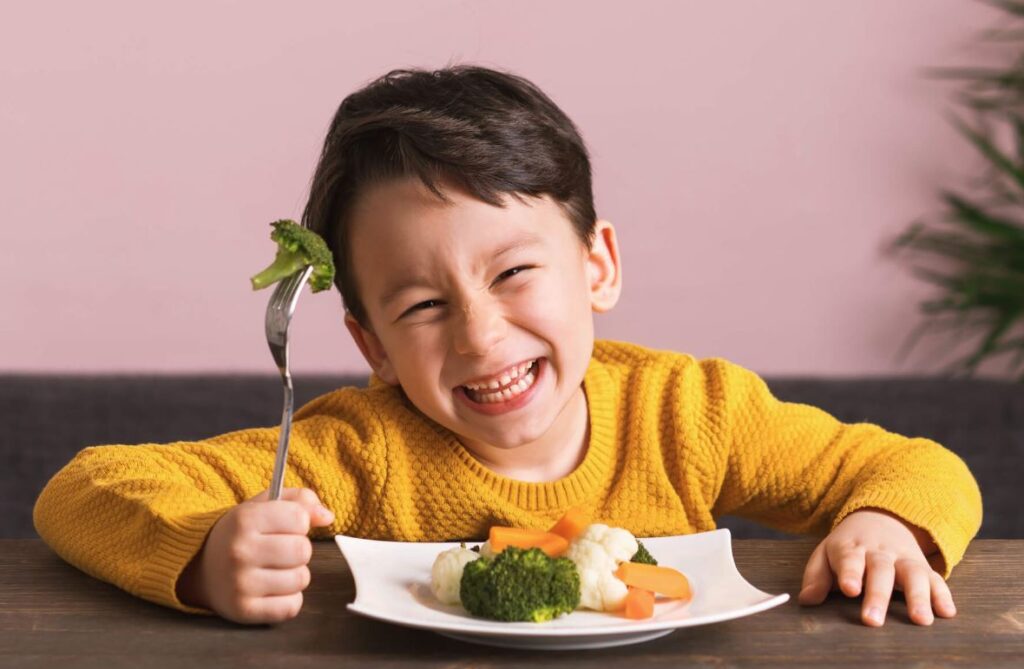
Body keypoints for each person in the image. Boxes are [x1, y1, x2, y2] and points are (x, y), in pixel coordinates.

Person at [34, 65, 982, 629]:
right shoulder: (351, 455)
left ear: (597, 265)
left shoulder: (691, 413)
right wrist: (204, 556)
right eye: (419, 307)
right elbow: (81, 492)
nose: (482, 336)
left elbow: (914, 464)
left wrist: (892, 524)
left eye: (514, 274)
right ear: (369, 342)